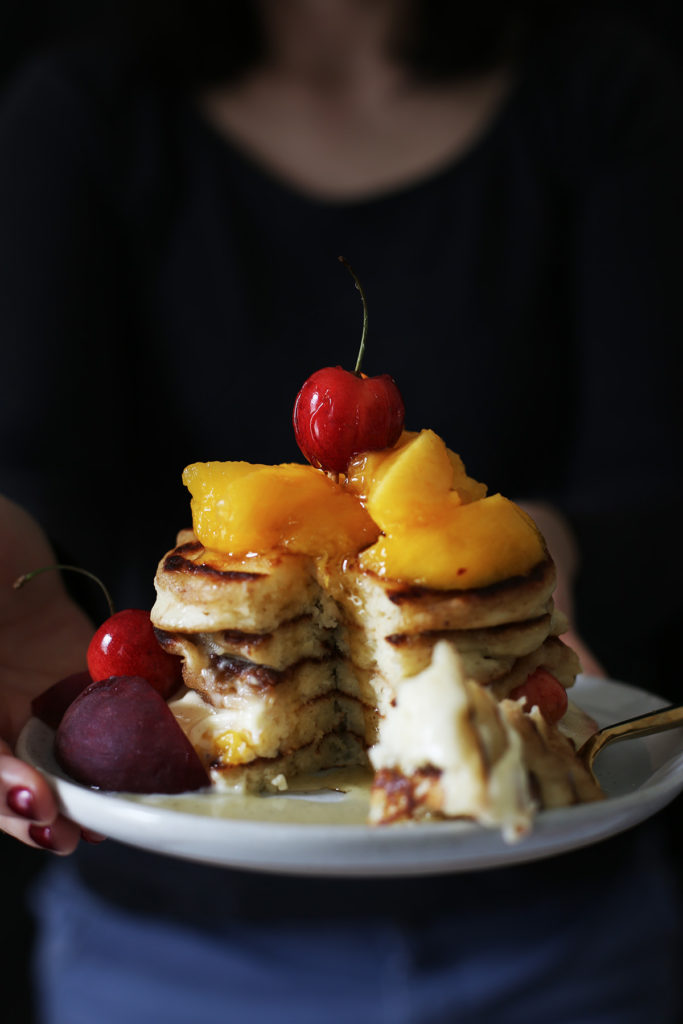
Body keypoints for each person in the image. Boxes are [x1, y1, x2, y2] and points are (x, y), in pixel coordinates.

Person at [1, 2, 682, 1021]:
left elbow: (658, 474)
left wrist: (549, 548)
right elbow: (36, 466)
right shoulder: (84, 113)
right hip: (170, 957)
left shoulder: (601, 93)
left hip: (558, 943)